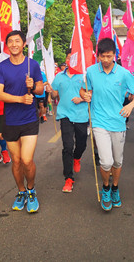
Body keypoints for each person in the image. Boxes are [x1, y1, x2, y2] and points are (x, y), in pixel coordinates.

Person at [81, 38, 134, 211]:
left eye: (109, 56)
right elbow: (84, 89)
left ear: (115, 55)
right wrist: (85, 94)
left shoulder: (123, 73)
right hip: (99, 122)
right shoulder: (91, 71)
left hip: (118, 122)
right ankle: (106, 188)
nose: (106, 60)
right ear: (98, 55)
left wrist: (130, 105)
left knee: (117, 161)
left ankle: (115, 187)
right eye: (103, 56)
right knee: (106, 162)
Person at [0, 30, 44, 213]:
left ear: (24, 44)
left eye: (17, 41)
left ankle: (31, 190)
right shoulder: (1, 67)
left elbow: (40, 88)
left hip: (29, 119)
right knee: (16, 161)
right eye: (10, 41)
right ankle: (21, 191)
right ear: (7, 46)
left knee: (26, 159)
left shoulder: (33, 65)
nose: (14, 44)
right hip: (10, 120)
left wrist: (34, 86)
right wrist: (20, 99)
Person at [49, 49, 88, 193]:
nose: (69, 60)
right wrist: (50, 91)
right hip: (65, 114)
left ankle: (77, 158)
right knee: (67, 146)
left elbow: (92, 93)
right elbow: (54, 95)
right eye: (68, 58)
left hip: (81, 115)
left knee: (81, 143)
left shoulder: (84, 76)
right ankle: (69, 178)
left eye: (73, 58)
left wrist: (82, 98)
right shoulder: (59, 76)